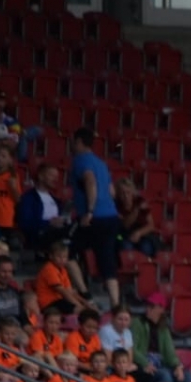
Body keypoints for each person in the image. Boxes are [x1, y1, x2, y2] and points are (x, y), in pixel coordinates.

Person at [67, 127, 121, 311]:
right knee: (107, 260)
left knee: (67, 251)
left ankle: (85, 294)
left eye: (74, 141)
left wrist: (89, 210)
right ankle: (115, 304)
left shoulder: (80, 160)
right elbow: (111, 191)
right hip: (111, 216)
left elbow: (90, 181)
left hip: (94, 217)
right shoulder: (101, 163)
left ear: (79, 142)